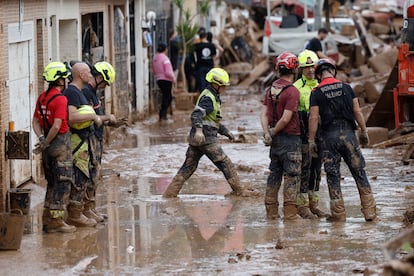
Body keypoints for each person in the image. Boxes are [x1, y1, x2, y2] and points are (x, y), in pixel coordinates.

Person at [163, 68, 258, 198]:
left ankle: (170, 193)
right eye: (223, 86)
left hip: (199, 138)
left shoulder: (212, 96)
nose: (225, 88)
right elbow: (196, 115)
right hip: (206, 138)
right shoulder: (208, 98)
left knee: (189, 167)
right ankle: (239, 191)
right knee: (225, 163)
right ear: (216, 84)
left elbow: (212, 120)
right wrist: (199, 131)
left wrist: (226, 132)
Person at [308, 58, 377, 222]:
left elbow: (314, 118)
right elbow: (357, 111)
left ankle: (338, 215)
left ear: (318, 74)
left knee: (332, 175)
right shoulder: (347, 87)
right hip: (349, 136)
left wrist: (311, 140)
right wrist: (364, 131)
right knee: (359, 171)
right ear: (333, 71)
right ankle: (370, 213)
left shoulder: (316, 92)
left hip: (328, 138)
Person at [32, 61, 76, 233]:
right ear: (59, 80)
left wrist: (42, 139)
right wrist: (48, 141)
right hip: (59, 146)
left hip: (47, 150)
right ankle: (56, 221)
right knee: (63, 184)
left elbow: (35, 122)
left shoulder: (42, 97)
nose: (66, 81)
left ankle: (47, 219)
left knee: (51, 183)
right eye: (65, 78)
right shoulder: (61, 99)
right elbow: (57, 125)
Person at [260, 52, 302, 221]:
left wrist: (267, 133)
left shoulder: (270, 90)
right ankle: (290, 215)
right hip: (290, 139)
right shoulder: (292, 91)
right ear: (294, 70)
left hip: (275, 141)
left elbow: (263, 114)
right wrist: (274, 132)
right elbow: (286, 118)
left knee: (274, 174)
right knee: (291, 176)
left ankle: (271, 214)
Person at [64, 62, 102, 227]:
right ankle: (74, 214)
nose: (91, 75)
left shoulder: (78, 92)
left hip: (84, 140)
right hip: (77, 142)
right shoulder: (72, 93)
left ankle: (82, 211)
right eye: (88, 72)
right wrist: (92, 117)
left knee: (85, 176)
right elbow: (72, 117)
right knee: (79, 177)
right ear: (80, 74)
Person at [293, 49, 327, 219]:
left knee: (316, 169)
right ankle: (302, 205)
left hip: (321, 135)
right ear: (300, 69)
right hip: (304, 135)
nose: (310, 70)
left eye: (312, 66)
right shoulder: (296, 88)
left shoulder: (322, 85)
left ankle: (314, 204)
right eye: (306, 67)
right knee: (304, 169)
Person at [82, 61, 117, 222]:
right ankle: (86, 209)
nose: (105, 87)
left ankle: (91, 207)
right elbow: (91, 118)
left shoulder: (93, 92)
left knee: (95, 174)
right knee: (91, 174)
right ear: (100, 77)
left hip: (97, 137)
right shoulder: (86, 92)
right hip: (89, 138)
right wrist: (107, 118)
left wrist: (109, 122)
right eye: (105, 83)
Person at [153, 42, 176, 122]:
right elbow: (168, 72)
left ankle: (163, 114)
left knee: (165, 97)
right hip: (166, 80)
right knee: (168, 97)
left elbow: (153, 70)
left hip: (159, 79)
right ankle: (163, 114)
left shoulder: (155, 58)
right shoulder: (165, 59)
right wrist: (173, 79)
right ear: (165, 49)